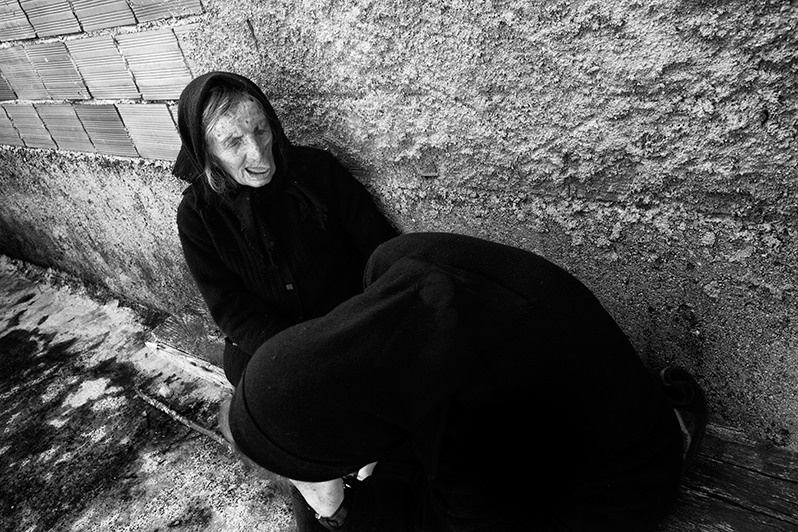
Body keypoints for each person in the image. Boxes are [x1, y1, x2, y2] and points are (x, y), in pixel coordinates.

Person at [221, 232, 708, 532]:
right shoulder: (392, 265)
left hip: (621, 480)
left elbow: (459, 519)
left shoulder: (473, 426)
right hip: (560, 413)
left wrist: (335, 510)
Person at [172, 71, 398, 385]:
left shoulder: (317, 171)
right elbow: (229, 306)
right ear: (207, 153)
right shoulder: (198, 216)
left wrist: (376, 316)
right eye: (233, 142)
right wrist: (305, 352)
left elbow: (380, 245)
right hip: (273, 344)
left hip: (353, 319)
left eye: (261, 130)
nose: (258, 152)